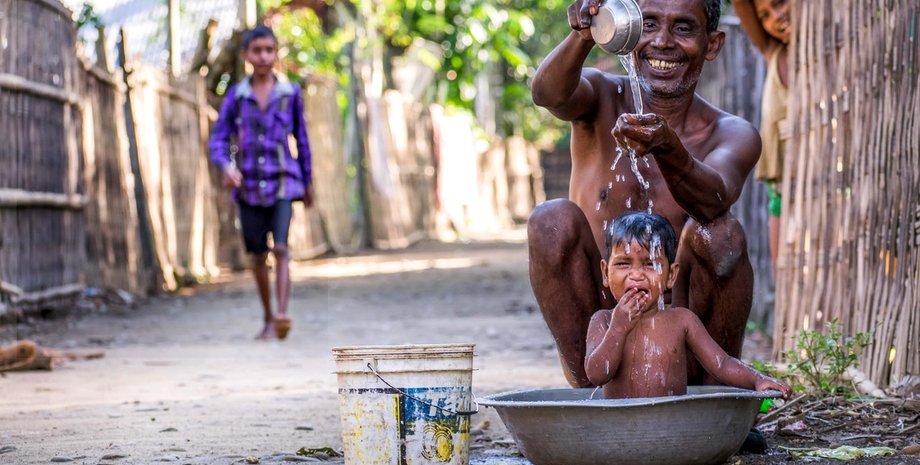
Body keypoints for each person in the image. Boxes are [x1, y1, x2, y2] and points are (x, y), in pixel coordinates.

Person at [529, 0, 762, 388]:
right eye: (648, 24)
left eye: (683, 28)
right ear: (629, 32)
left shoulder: (730, 133)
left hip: (681, 340)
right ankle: (589, 395)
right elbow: (548, 95)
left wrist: (670, 149)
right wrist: (582, 35)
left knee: (719, 234)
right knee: (550, 220)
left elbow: (714, 201)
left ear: (712, 44)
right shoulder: (600, 95)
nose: (663, 42)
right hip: (602, 337)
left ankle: (716, 393)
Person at [585, 211, 790, 400]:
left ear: (671, 275)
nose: (637, 275)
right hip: (619, 426)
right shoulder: (603, 321)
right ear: (605, 273)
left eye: (650, 264)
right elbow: (596, 375)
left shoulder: (682, 321)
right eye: (623, 264)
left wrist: (757, 379)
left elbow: (721, 364)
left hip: (675, 424)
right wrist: (618, 329)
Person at [209, 25, 313, 341]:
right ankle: (268, 316)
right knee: (257, 255)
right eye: (257, 51)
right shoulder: (237, 97)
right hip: (248, 186)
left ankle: (282, 315)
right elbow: (219, 139)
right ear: (246, 55)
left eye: (269, 50)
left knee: (280, 247)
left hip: (283, 181)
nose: (264, 56)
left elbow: (302, 139)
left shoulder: (290, 94)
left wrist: (307, 182)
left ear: (276, 53)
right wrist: (226, 166)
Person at [731, 0, 790, 276]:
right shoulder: (773, 53)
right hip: (782, 193)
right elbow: (741, 5)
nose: (776, 17)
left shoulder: (833, 54)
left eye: (780, 3)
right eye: (765, 15)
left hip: (829, 191)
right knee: (786, 280)